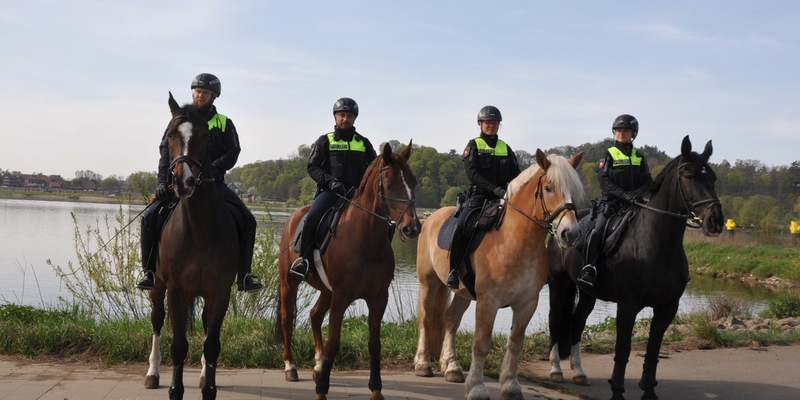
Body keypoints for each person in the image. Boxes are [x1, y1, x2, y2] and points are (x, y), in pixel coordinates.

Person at [136, 73, 263, 292]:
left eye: (205, 92)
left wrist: (211, 168)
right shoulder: (179, 120)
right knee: (149, 217)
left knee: (248, 220)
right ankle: (148, 271)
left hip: (214, 184)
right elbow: (165, 152)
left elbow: (233, 152)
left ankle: (244, 274)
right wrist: (162, 183)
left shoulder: (224, 123)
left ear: (214, 96)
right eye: (197, 91)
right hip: (180, 183)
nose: (200, 95)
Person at [289, 97, 378, 279]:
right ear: (335, 117)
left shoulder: (363, 143)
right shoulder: (325, 140)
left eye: (349, 116)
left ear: (354, 118)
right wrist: (331, 182)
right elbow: (313, 167)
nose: (345, 119)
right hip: (331, 192)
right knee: (311, 218)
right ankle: (304, 260)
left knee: (384, 222)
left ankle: (380, 262)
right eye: (342, 115)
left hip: (357, 196)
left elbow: (375, 169)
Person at [447, 105, 521, 289]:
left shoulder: (506, 148)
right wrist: (495, 189)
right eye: (488, 123)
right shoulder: (474, 145)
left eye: (495, 123)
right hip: (479, 197)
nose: (491, 126)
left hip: (504, 197)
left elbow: (516, 174)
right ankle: (453, 270)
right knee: (461, 226)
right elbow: (473, 174)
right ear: (480, 124)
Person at [577, 114, 653, 287]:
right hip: (611, 205)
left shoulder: (639, 157)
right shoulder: (608, 154)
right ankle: (589, 268)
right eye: (618, 130)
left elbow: (648, 181)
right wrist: (624, 195)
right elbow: (605, 181)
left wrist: (637, 193)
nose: (621, 133)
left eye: (625, 130)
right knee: (598, 231)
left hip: (635, 204)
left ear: (633, 134)